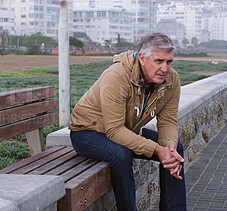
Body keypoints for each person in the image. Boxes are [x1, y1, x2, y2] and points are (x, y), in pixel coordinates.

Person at [69, 33, 186, 211]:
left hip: (125, 130)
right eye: (159, 61)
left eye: (169, 62)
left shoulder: (171, 80)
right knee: (121, 154)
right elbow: (114, 130)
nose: (165, 68)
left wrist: (168, 149)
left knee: (175, 149)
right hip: (86, 133)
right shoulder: (116, 76)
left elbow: (168, 122)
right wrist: (156, 149)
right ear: (142, 58)